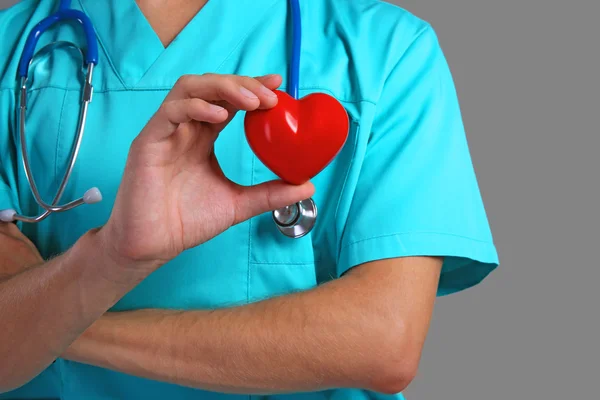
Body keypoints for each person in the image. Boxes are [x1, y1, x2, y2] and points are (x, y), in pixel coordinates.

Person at [0, 0, 499, 399]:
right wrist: (114, 257)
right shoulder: (10, 50)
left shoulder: (386, 51)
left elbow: (382, 343)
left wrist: (50, 319)